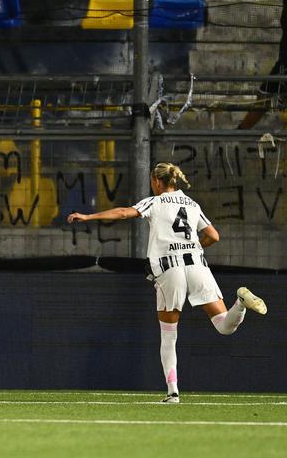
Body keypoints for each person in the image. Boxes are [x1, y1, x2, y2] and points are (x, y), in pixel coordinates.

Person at [67, 162, 268, 403]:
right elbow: (214, 235)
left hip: (169, 269)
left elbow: (123, 213)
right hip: (196, 265)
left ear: (157, 181)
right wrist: (193, 247)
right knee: (225, 326)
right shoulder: (192, 204)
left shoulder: (155, 201)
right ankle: (241, 302)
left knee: (169, 335)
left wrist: (88, 216)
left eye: (152, 181)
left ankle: (173, 392)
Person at [238, 0, 287, 130]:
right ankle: (239, 132)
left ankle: (240, 132)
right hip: (283, 66)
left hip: (283, 66)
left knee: (264, 99)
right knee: (263, 98)